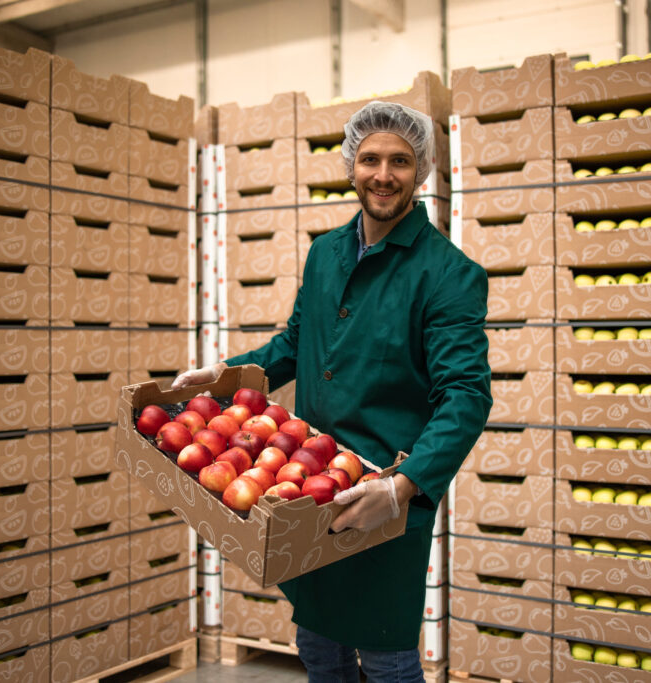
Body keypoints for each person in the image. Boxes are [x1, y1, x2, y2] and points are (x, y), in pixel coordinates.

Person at [172, 101, 491, 682]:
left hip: (382, 495)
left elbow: (466, 395)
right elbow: (296, 343)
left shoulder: (447, 273)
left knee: (388, 654)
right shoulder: (326, 254)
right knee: (318, 644)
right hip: (305, 483)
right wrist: (224, 375)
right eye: (370, 158)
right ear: (350, 167)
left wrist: (402, 487)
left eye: (400, 160)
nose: (383, 174)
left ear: (421, 172)